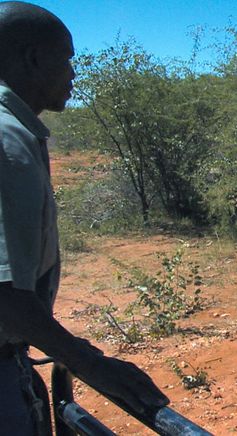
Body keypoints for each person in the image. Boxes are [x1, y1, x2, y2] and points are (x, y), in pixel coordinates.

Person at [0, 2, 169, 434]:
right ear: (34, 58)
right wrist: (92, 364)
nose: (75, 72)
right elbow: (4, 295)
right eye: (68, 58)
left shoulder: (17, 132)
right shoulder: (7, 141)